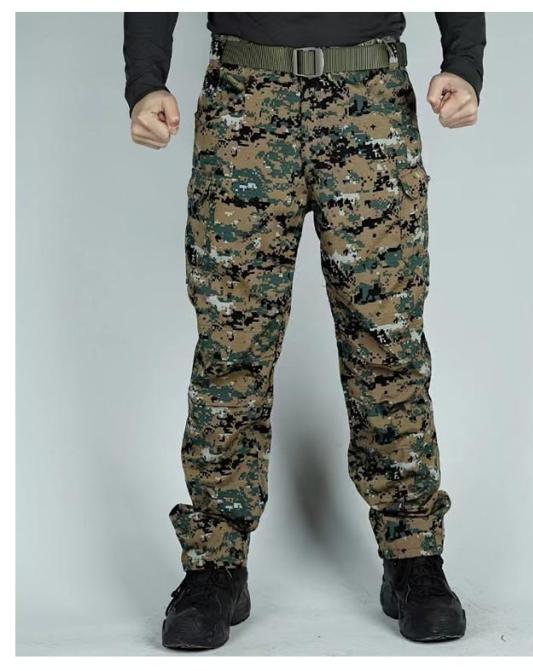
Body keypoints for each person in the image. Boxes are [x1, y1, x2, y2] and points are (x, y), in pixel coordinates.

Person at [123, 11, 486, 650]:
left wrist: (463, 61)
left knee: (387, 342)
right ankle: (215, 567)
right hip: (244, 96)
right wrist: (146, 79)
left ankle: (413, 558)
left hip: (370, 94)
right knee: (231, 345)